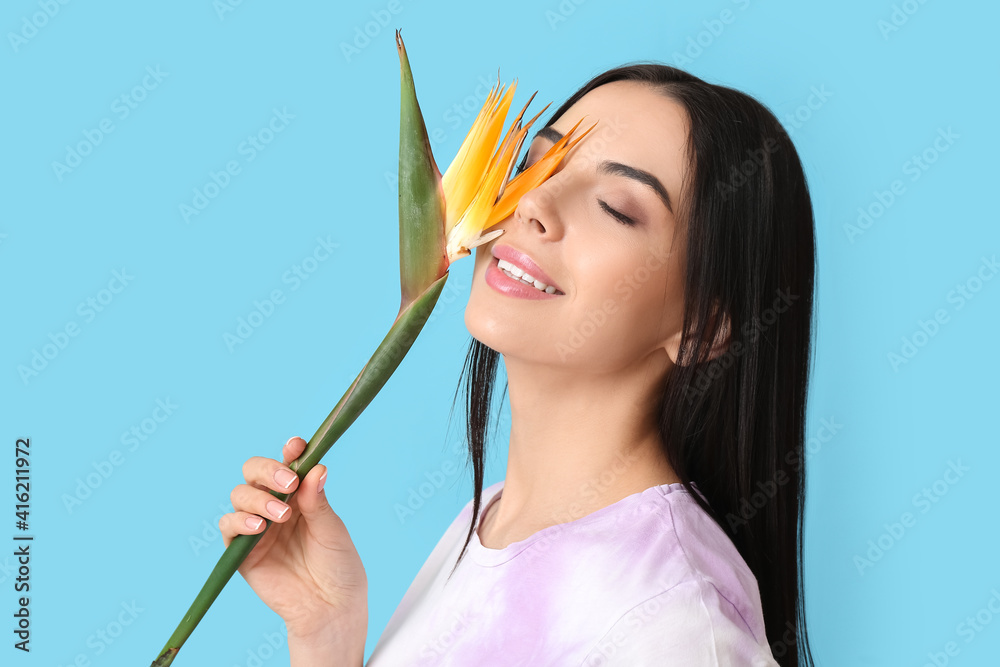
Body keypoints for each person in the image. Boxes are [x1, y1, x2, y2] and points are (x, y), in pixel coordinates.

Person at [220, 63, 818, 666]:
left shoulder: (676, 623)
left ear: (703, 328)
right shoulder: (489, 521)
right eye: (539, 164)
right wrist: (326, 632)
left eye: (616, 207)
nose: (533, 201)